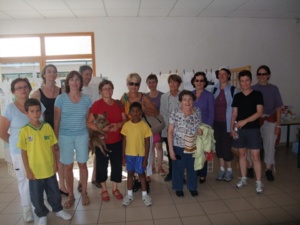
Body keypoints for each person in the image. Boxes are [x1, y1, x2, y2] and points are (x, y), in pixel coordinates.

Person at [17, 98, 71, 225]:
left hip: (49, 169)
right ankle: (42, 214)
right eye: (32, 111)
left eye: (37, 111)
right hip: (35, 171)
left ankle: (58, 209)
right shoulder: (24, 130)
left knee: (54, 192)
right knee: (36, 196)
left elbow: (52, 147)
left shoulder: (47, 127)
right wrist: (28, 170)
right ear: (27, 113)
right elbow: (23, 153)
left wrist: (55, 164)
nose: (35, 114)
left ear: (41, 111)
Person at [0, 78, 44, 222]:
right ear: (13, 91)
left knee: (38, 179)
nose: (22, 90)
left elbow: (42, 126)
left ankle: (39, 206)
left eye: (25, 87)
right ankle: (27, 209)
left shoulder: (37, 105)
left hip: (37, 151)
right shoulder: (9, 108)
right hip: (19, 152)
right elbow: (2, 132)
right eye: (19, 88)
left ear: (29, 89)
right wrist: (16, 143)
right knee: (24, 180)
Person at [54, 70, 92, 208]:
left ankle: (84, 193)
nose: (75, 82)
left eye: (77, 79)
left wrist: (89, 139)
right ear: (68, 82)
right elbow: (56, 121)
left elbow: (88, 121)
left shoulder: (87, 99)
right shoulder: (61, 99)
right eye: (72, 79)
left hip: (82, 135)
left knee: (83, 164)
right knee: (68, 166)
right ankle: (70, 195)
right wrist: (55, 140)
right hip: (65, 136)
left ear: (80, 82)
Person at [31, 64, 68, 196]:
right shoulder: (37, 94)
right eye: (49, 71)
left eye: (54, 72)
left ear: (56, 75)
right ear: (44, 75)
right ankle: (49, 186)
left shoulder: (62, 92)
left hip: (61, 129)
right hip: (45, 130)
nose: (52, 74)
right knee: (48, 159)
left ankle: (62, 185)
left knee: (61, 159)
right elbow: (32, 113)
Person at [87, 80, 127, 202]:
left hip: (116, 140)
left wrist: (119, 125)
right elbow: (88, 123)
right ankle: (104, 189)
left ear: (113, 90)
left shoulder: (118, 104)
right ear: (100, 91)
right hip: (100, 141)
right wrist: (101, 128)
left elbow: (125, 120)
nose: (108, 91)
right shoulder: (97, 105)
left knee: (116, 165)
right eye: (105, 88)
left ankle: (115, 188)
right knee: (101, 165)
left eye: (110, 88)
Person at [120, 73, 158, 191]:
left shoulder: (143, 97)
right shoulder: (124, 98)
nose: (134, 86)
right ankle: (135, 181)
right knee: (131, 155)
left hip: (142, 131)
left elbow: (156, 112)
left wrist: (145, 108)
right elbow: (120, 113)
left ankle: (144, 180)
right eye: (131, 83)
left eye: (136, 84)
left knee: (144, 155)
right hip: (130, 132)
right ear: (127, 84)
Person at [231, 70, 264, 193]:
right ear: (239, 82)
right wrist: (232, 129)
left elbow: (259, 112)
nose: (245, 83)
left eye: (247, 80)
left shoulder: (257, 94)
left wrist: (244, 121)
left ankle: (259, 182)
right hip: (240, 130)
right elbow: (234, 114)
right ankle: (244, 178)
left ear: (251, 81)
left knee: (255, 156)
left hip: (253, 129)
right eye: (242, 81)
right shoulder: (237, 96)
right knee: (242, 155)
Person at [168, 90, 202, 197]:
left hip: (193, 145)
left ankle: (192, 187)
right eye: (184, 99)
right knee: (178, 168)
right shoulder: (175, 113)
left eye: (190, 99)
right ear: (181, 101)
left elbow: (199, 127)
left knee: (192, 167)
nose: (187, 102)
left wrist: (200, 131)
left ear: (193, 100)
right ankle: (178, 187)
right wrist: (171, 150)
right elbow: (170, 132)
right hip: (179, 145)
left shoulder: (197, 111)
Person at [252, 65, 283, 181]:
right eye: (259, 74)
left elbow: (278, 108)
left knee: (269, 144)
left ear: (268, 75)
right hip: (255, 120)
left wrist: (278, 125)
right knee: (252, 145)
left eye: (264, 74)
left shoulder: (274, 89)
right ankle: (250, 167)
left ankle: (268, 168)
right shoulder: (253, 88)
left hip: (269, 120)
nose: (261, 76)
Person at [121, 102, 152, 206]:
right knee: (130, 174)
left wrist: (146, 159)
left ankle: (145, 195)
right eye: (133, 111)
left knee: (141, 175)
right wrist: (123, 156)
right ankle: (129, 195)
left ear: (141, 113)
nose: (135, 113)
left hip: (140, 155)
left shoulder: (144, 125)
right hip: (129, 155)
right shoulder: (126, 125)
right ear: (129, 113)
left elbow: (148, 143)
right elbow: (124, 141)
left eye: (138, 111)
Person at [78, 65, 101, 191]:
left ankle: (95, 177)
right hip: (81, 125)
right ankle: (82, 181)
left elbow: (97, 106)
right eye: (86, 74)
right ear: (80, 74)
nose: (88, 77)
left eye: (90, 74)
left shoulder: (93, 89)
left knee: (97, 151)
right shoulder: (76, 89)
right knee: (83, 153)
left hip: (93, 124)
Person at [212, 67, 238, 182]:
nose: (221, 76)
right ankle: (221, 169)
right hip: (216, 124)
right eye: (220, 74)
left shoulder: (233, 90)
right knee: (219, 148)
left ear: (228, 76)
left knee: (227, 148)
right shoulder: (214, 89)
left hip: (228, 124)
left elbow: (235, 110)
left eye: (224, 74)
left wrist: (233, 127)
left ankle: (229, 170)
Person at [191, 72, 215, 183]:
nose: (199, 83)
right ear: (194, 82)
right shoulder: (190, 94)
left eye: (201, 80)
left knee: (203, 151)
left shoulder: (209, 96)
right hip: (192, 128)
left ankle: (202, 174)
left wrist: (206, 128)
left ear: (204, 82)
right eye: (197, 80)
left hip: (205, 128)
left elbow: (211, 113)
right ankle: (194, 172)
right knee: (193, 152)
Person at [160, 74, 182, 182]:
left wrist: (178, 126)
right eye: (170, 82)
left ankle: (180, 175)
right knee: (170, 152)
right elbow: (163, 112)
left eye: (175, 82)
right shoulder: (164, 97)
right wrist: (170, 126)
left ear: (179, 84)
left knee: (180, 152)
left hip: (181, 130)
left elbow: (184, 111)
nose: (172, 84)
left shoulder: (182, 96)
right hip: (167, 129)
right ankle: (171, 172)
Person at [146, 74, 165, 175]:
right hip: (149, 124)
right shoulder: (145, 96)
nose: (151, 84)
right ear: (147, 84)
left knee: (159, 146)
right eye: (149, 82)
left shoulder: (162, 96)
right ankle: (152, 166)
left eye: (153, 82)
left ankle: (160, 167)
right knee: (151, 146)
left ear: (157, 83)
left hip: (158, 124)